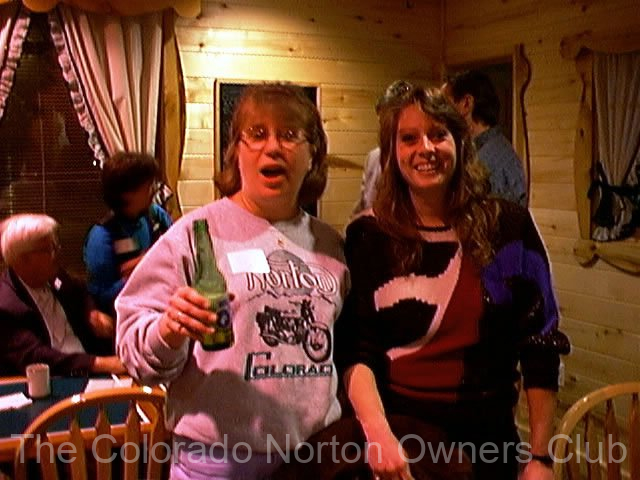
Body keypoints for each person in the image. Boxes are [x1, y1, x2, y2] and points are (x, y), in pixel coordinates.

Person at [116, 83, 349, 480]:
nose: (272, 147)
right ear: (236, 152)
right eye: (256, 134)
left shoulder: (330, 245)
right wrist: (169, 330)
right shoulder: (194, 235)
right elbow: (133, 350)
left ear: (312, 155)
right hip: (216, 461)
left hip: (312, 457)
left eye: (289, 134)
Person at [335, 86, 569, 480]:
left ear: (460, 142)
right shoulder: (368, 235)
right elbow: (357, 348)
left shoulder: (509, 227)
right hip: (396, 446)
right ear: (391, 152)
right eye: (409, 138)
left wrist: (541, 457)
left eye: (438, 134)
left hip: (489, 446)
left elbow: (540, 343)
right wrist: (378, 435)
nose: (425, 148)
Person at [0, 214, 125, 376]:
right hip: (56, 379)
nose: (58, 252)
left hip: (93, 368)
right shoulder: (6, 307)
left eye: (56, 245)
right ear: (23, 259)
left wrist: (91, 312)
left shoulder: (54, 276)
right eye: (49, 249)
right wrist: (98, 363)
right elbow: (36, 357)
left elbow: (80, 291)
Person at [83, 151, 172, 317]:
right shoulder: (102, 237)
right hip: (127, 317)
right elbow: (102, 295)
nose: (153, 190)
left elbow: (176, 250)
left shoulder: (155, 216)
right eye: (147, 185)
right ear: (126, 193)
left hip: (164, 306)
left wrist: (146, 261)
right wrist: (143, 270)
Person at [443, 70, 527, 206]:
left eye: (445, 104)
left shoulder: (487, 161)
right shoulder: (488, 149)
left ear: (466, 103)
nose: (441, 114)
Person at [352, 80, 413, 216]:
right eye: (382, 120)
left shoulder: (416, 158)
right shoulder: (374, 157)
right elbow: (364, 202)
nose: (385, 127)